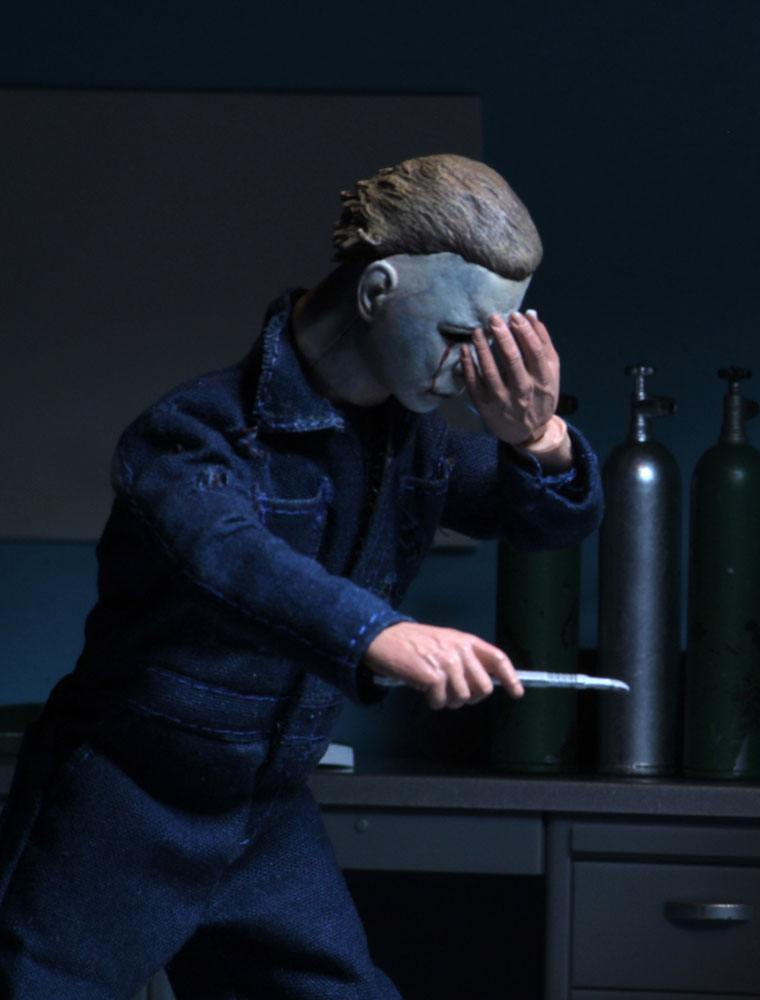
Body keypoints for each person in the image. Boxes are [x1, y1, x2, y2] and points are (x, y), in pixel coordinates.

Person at [0, 153, 602, 997]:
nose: (468, 371)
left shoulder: (412, 442)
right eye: (460, 338)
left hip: (263, 814)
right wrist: (379, 633)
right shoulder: (196, 433)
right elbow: (228, 558)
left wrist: (538, 439)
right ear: (377, 291)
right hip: (121, 804)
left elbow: (547, 522)